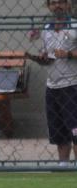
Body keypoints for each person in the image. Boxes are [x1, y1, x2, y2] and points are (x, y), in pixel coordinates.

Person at [26, 0, 77, 166]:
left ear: (68, 4)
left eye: (61, 2)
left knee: (75, 128)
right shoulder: (46, 28)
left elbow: (68, 54)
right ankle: (63, 164)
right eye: (53, 3)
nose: (57, 6)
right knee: (58, 129)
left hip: (72, 84)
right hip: (52, 86)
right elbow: (47, 53)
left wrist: (68, 53)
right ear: (48, 6)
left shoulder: (75, 25)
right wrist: (42, 58)